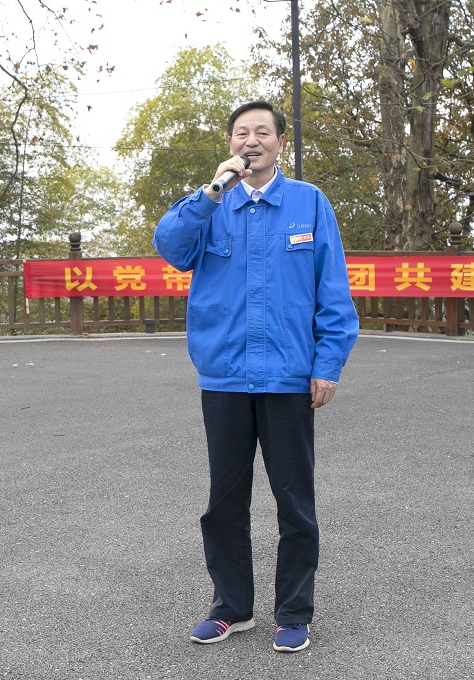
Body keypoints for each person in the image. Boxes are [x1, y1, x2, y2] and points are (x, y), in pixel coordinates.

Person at [152, 101, 359, 653]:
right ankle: (231, 608)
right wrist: (210, 192)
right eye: (241, 132)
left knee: (295, 502)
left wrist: (327, 365)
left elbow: (333, 291)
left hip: (289, 379)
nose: (252, 141)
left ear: (280, 142)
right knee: (224, 501)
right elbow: (169, 247)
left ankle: (293, 612)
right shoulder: (209, 205)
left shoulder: (309, 203)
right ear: (230, 144)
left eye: (262, 132)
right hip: (224, 378)